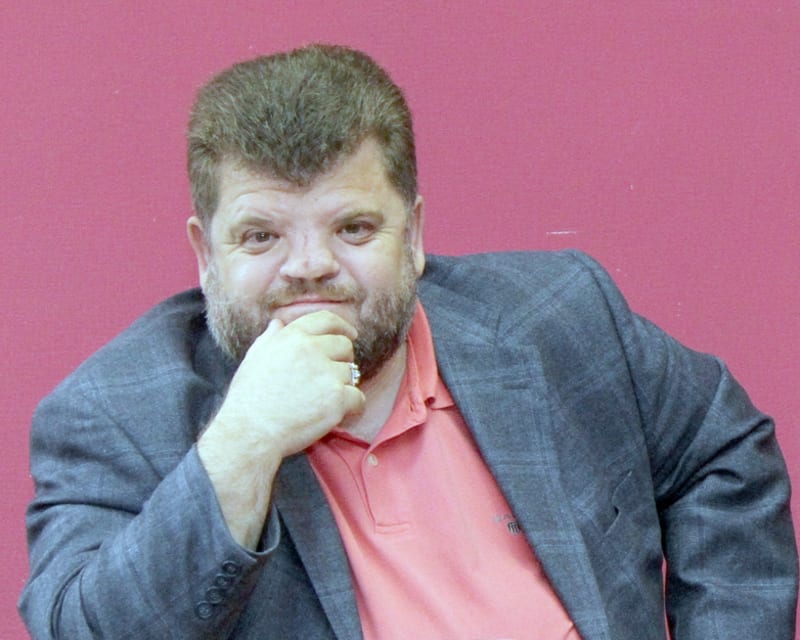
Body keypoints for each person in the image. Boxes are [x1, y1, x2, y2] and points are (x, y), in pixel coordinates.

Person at [19, 44, 797, 640]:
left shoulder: (557, 318)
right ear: (205, 254)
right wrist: (242, 447)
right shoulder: (117, 414)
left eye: (353, 228)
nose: (310, 267)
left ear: (415, 234)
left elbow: (720, 451)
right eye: (261, 237)